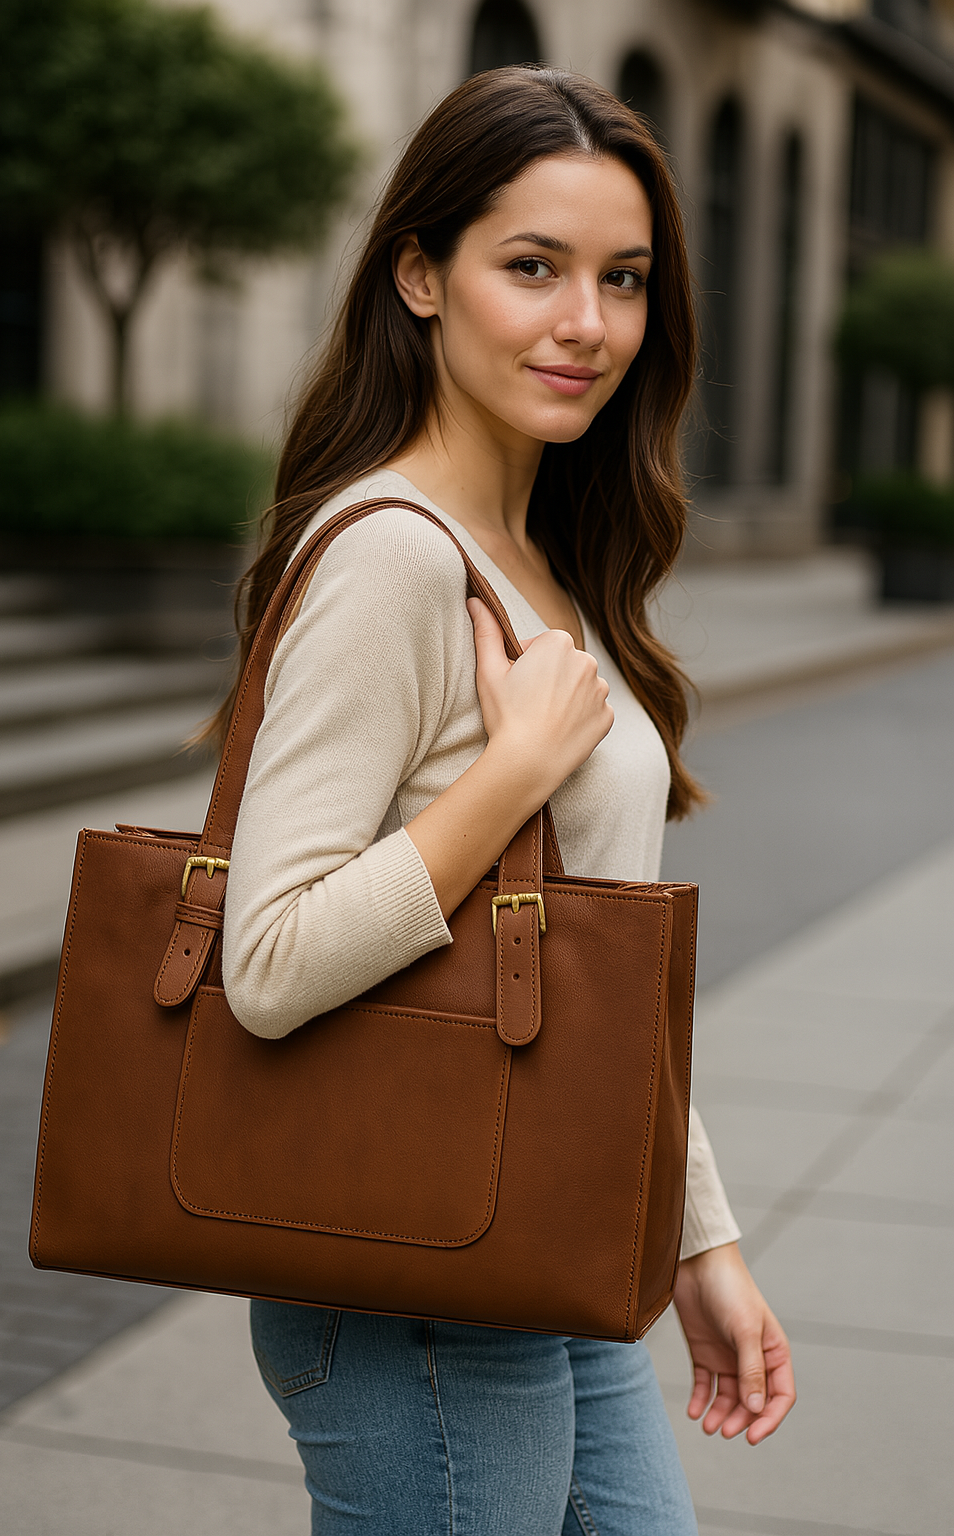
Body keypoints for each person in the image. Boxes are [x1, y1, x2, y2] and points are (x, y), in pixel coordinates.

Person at [218, 66, 796, 1536]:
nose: (585, 323)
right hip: (407, 1270)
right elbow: (268, 964)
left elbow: (603, 966)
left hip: (539, 1239)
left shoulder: (541, 560)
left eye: (624, 279)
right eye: (530, 267)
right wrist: (511, 778)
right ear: (419, 272)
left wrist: (697, 1245)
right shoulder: (390, 555)